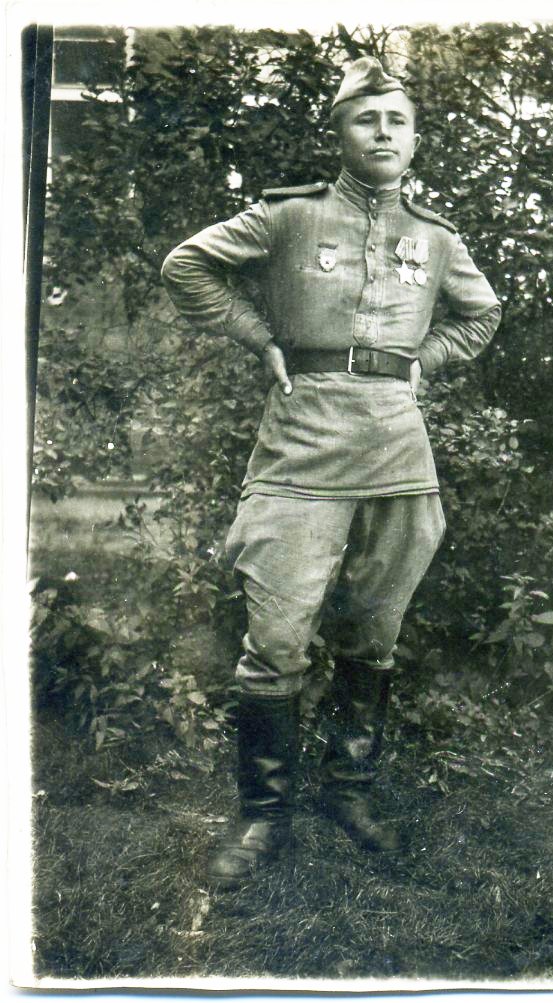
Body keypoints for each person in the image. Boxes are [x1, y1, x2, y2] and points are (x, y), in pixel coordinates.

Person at [161, 56, 501, 887]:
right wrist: (260, 338)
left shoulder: (436, 237)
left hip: (396, 446)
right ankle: (262, 817)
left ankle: (349, 793)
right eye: (365, 119)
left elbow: (482, 311)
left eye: (397, 121)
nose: (383, 133)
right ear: (339, 133)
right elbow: (186, 264)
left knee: (375, 631)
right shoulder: (289, 216)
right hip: (303, 438)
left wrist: (425, 361)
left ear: (413, 139)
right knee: (277, 638)